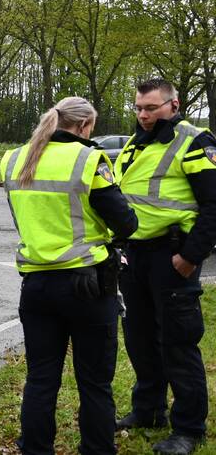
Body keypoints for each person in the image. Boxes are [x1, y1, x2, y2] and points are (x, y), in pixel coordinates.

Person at [1, 96, 138, 455]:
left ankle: (35, 449)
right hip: (87, 285)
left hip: (36, 285)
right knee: (94, 382)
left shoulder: (13, 159)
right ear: (84, 126)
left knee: (41, 379)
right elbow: (126, 221)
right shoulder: (89, 158)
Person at [114, 78, 216, 455]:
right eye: (139, 108)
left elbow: (213, 207)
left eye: (151, 108)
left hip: (171, 256)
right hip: (135, 257)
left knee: (178, 344)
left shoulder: (193, 142)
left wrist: (190, 258)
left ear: (174, 105)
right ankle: (148, 410)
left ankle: (189, 428)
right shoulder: (135, 143)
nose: (143, 115)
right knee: (140, 340)